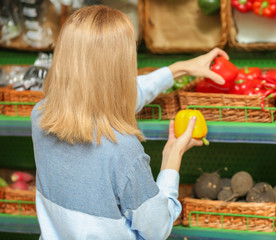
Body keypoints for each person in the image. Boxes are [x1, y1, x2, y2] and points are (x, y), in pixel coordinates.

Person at [31, 5, 229, 240]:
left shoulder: (41, 116)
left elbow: (110, 96)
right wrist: (172, 156)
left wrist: (179, 69)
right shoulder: (122, 150)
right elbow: (157, 229)